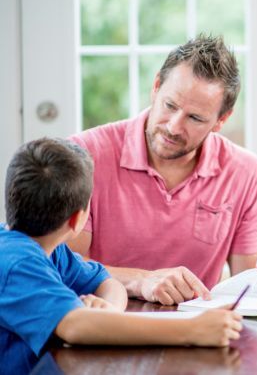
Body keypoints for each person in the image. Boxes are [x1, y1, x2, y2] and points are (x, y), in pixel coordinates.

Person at [0, 138, 243, 371]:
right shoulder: (17, 262)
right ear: (77, 219)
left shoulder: (52, 251)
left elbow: (107, 281)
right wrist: (192, 330)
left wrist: (107, 310)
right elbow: (75, 326)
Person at [68, 34, 257, 306]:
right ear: (156, 87)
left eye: (195, 118)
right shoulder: (85, 154)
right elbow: (63, 267)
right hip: (103, 323)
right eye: (170, 105)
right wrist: (142, 281)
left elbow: (248, 286)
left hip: (196, 332)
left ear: (221, 120)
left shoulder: (245, 171)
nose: (174, 127)